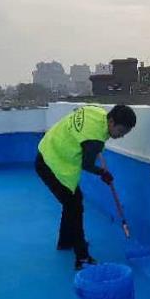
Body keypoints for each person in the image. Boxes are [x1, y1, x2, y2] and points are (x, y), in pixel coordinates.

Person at [35, 104, 136, 270]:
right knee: (74, 206)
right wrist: (103, 173)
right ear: (111, 122)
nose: (121, 136)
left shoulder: (97, 112)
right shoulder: (94, 140)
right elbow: (86, 164)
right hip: (52, 164)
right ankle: (82, 258)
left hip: (47, 148)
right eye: (121, 131)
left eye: (125, 133)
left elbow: (77, 112)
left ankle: (66, 241)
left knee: (73, 202)